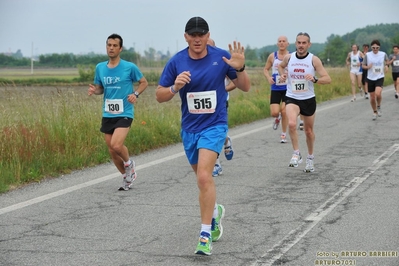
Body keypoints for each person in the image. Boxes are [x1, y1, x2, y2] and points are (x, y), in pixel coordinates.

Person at [156, 16, 250, 256]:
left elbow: (245, 86)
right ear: (186, 36)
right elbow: (159, 95)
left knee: (204, 177)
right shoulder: (176, 61)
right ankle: (215, 211)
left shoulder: (220, 57)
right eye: (193, 35)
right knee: (201, 178)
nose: (197, 39)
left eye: (202, 35)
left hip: (215, 125)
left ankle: (205, 235)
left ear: (208, 36)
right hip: (190, 129)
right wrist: (174, 87)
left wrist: (239, 68)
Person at [88, 33, 148, 191]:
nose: (111, 48)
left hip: (125, 111)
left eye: (115, 45)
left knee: (116, 144)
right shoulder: (100, 67)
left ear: (120, 48)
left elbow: (144, 82)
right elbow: (100, 88)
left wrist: (135, 94)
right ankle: (127, 176)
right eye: (109, 45)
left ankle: (129, 164)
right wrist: (95, 90)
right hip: (108, 112)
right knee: (112, 151)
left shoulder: (129, 67)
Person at [278, 32, 331, 173]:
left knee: (308, 131)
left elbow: (327, 78)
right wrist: (282, 75)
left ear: (309, 44)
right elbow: (280, 66)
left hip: (308, 99)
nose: (301, 45)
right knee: (291, 123)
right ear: (295, 44)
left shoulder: (314, 60)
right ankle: (296, 153)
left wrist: (315, 79)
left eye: (304, 43)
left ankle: (310, 157)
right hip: (292, 97)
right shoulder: (289, 58)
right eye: (299, 43)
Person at [206, 38, 235, 177]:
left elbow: (236, 82)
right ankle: (226, 139)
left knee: (214, 133)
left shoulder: (222, 61)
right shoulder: (194, 62)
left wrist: (223, 90)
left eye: (210, 46)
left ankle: (216, 164)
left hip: (220, 103)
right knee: (206, 132)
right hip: (202, 105)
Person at [263, 36, 290, 143]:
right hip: (275, 87)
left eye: (284, 41)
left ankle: (283, 134)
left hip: (288, 88)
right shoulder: (272, 56)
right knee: (274, 112)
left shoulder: (292, 56)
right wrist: (268, 77)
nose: (282, 43)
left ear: (287, 43)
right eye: (280, 41)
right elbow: (265, 69)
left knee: (284, 111)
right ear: (277, 44)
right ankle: (277, 118)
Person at [362, 39, 389, 120]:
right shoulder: (368, 55)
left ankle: (379, 106)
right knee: (372, 97)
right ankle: (374, 111)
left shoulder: (383, 54)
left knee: (378, 93)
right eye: (373, 48)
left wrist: (387, 66)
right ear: (371, 47)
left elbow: (387, 61)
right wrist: (367, 67)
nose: (375, 49)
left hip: (379, 77)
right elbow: (363, 65)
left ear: (379, 47)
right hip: (370, 77)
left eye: (377, 47)